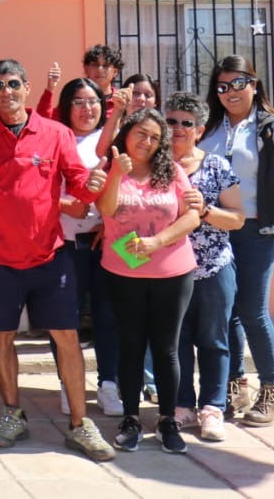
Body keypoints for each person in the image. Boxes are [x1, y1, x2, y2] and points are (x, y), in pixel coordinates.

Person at [0, 59, 115, 461]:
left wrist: (90, 185)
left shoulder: (54, 133)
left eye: (13, 83)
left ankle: (78, 424)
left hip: (48, 255)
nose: (6, 92)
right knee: (0, 337)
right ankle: (12, 414)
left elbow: (76, 183)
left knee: (67, 338)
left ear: (26, 86)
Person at [201, 56, 274, 425]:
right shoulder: (211, 128)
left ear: (254, 85)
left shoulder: (265, 125)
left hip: (256, 229)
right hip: (218, 228)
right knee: (226, 311)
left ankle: (271, 391)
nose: (230, 92)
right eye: (222, 86)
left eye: (238, 83)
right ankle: (235, 384)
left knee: (252, 310)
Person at [97, 109, 201, 453]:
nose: (147, 142)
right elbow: (107, 209)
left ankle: (168, 419)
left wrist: (158, 241)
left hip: (172, 273)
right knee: (130, 346)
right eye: (142, 133)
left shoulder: (170, 171)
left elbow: (192, 217)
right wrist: (116, 172)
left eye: (155, 138)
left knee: (166, 348)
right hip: (123, 273)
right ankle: (130, 418)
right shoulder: (113, 167)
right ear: (127, 133)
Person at [165, 91, 244, 442]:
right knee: (175, 342)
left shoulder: (216, 166)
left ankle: (212, 409)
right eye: (171, 121)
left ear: (199, 130)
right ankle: (181, 407)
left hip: (213, 269)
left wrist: (206, 210)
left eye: (186, 123)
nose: (178, 128)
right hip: (167, 271)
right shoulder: (155, 165)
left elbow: (238, 219)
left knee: (214, 341)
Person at [51, 78, 122, 418]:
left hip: (108, 243)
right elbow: (39, 189)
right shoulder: (54, 137)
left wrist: (108, 224)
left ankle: (109, 384)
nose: (86, 109)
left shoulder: (114, 142)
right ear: (67, 106)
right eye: (78, 102)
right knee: (66, 319)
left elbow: (133, 189)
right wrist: (68, 205)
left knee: (110, 316)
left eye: (92, 101)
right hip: (64, 242)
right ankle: (69, 383)